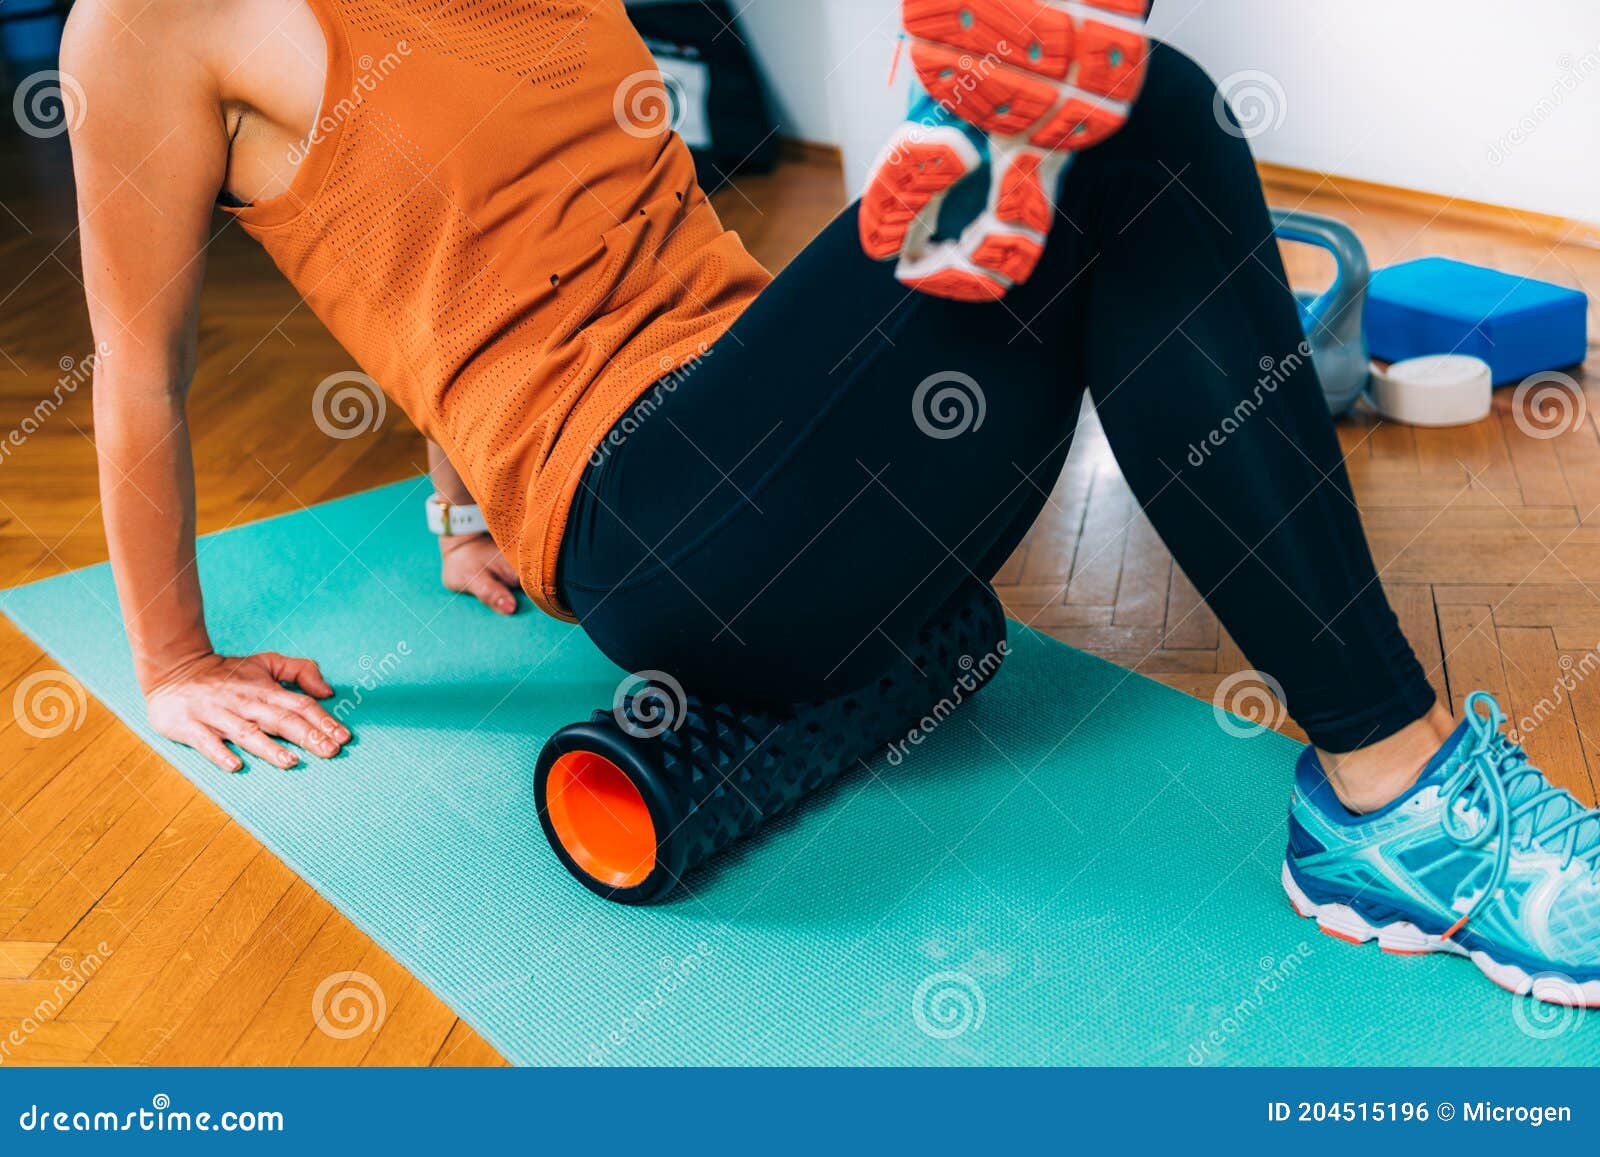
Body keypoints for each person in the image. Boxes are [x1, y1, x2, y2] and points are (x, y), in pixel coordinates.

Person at [61, 0, 1599, 1004]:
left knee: (1123, 118)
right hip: (668, 521)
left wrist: (453, 489)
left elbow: (487, 225)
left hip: (814, 444)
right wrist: (172, 658)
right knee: (1121, 106)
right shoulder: (152, 27)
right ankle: (1397, 796)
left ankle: (1392, 795)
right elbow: (138, 369)